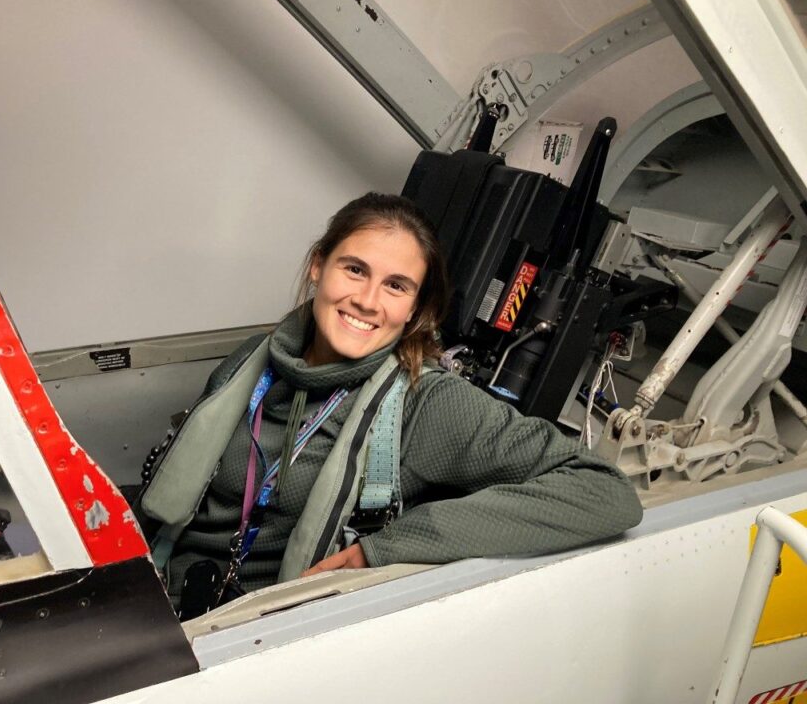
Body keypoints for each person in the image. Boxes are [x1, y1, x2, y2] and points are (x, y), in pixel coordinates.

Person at [140, 192, 643, 615]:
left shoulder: (426, 401)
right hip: (161, 594)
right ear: (318, 266)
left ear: (416, 308)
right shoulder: (250, 362)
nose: (367, 301)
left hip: (266, 633)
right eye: (355, 270)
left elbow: (602, 492)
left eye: (396, 286)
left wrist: (384, 549)